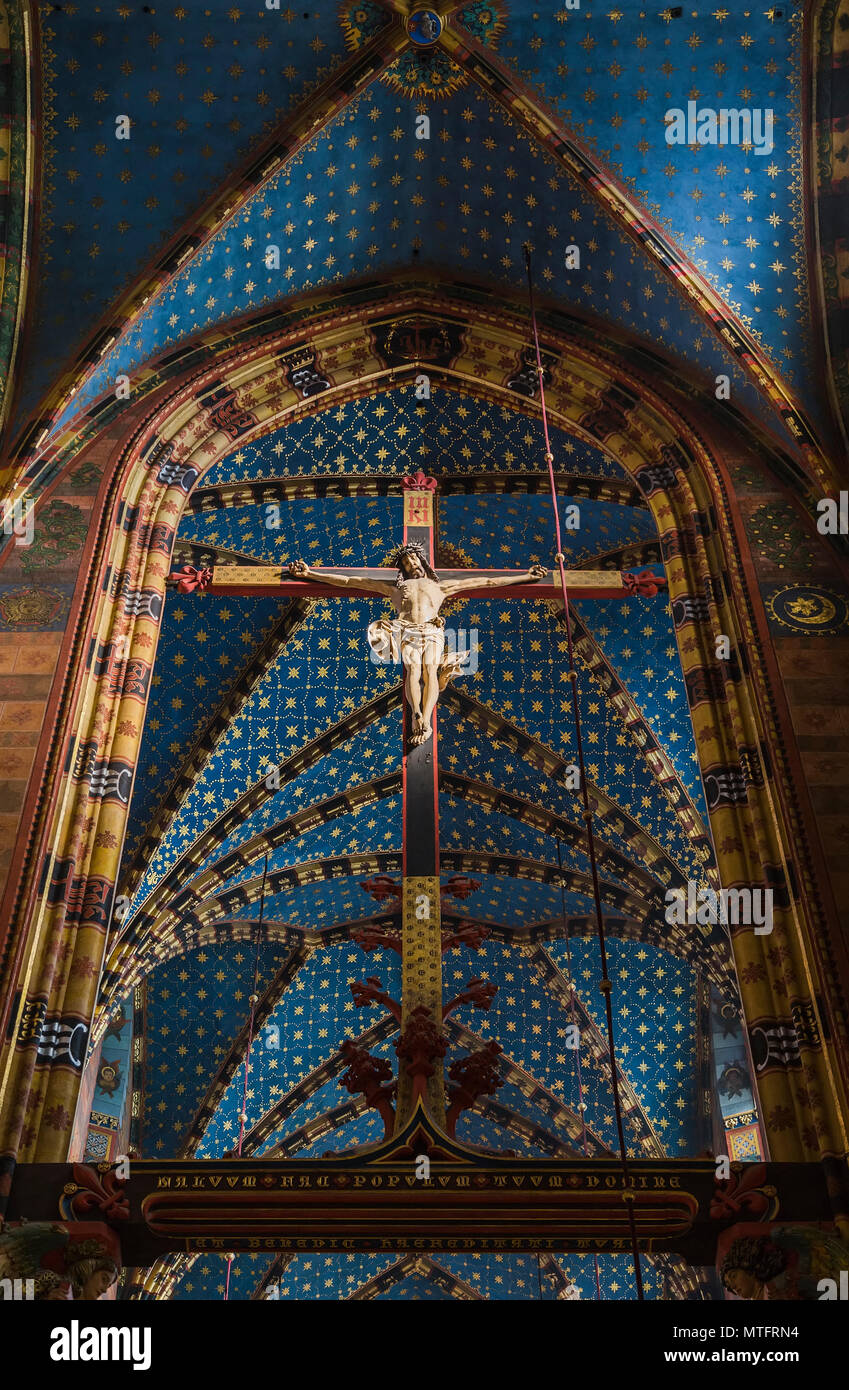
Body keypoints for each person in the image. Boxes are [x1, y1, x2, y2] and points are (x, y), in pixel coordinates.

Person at [289, 546, 547, 746]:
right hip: (407, 629)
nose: (410, 563)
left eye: (413, 559)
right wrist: (311, 574)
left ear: (421, 561)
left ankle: (428, 716)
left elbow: (486, 582)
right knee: (413, 670)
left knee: (430, 671)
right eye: (405, 562)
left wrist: (525, 576)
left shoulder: (441, 586)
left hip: (433, 628)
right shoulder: (396, 589)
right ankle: (416, 715)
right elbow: (350, 581)